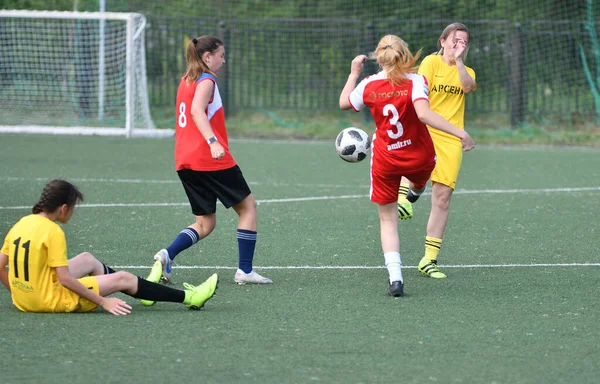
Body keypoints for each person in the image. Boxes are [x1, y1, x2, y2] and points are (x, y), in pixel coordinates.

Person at [339, 35, 474, 297]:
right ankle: (414, 192)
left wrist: (354, 73)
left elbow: (345, 103)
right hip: (419, 157)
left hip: (386, 159)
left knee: (387, 220)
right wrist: (461, 133)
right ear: (406, 55)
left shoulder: (368, 84)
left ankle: (396, 279)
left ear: (379, 58)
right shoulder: (415, 81)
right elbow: (423, 114)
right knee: (423, 179)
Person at [145, 35, 271, 291]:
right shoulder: (207, 80)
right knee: (248, 208)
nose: (223, 60)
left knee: (205, 222)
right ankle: (245, 270)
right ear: (206, 57)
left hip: (185, 161)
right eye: (221, 55)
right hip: (209, 158)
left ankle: (167, 255)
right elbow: (196, 111)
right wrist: (213, 141)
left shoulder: (185, 80)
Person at [0, 179, 218, 315]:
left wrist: (17, 293)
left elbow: (1, 265)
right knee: (123, 278)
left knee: (86, 259)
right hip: (49, 300)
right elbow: (65, 280)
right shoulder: (52, 231)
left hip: (25, 299)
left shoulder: (23, 223)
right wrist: (103, 301)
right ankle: (191, 298)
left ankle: (142, 292)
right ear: (63, 208)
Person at [396, 22, 476, 279]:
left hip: (451, 138)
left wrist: (459, 61)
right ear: (442, 41)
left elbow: (467, 87)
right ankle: (402, 199)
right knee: (411, 165)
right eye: (454, 40)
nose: (458, 45)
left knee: (442, 198)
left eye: (463, 42)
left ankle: (429, 259)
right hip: (426, 129)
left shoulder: (468, 70)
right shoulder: (431, 63)